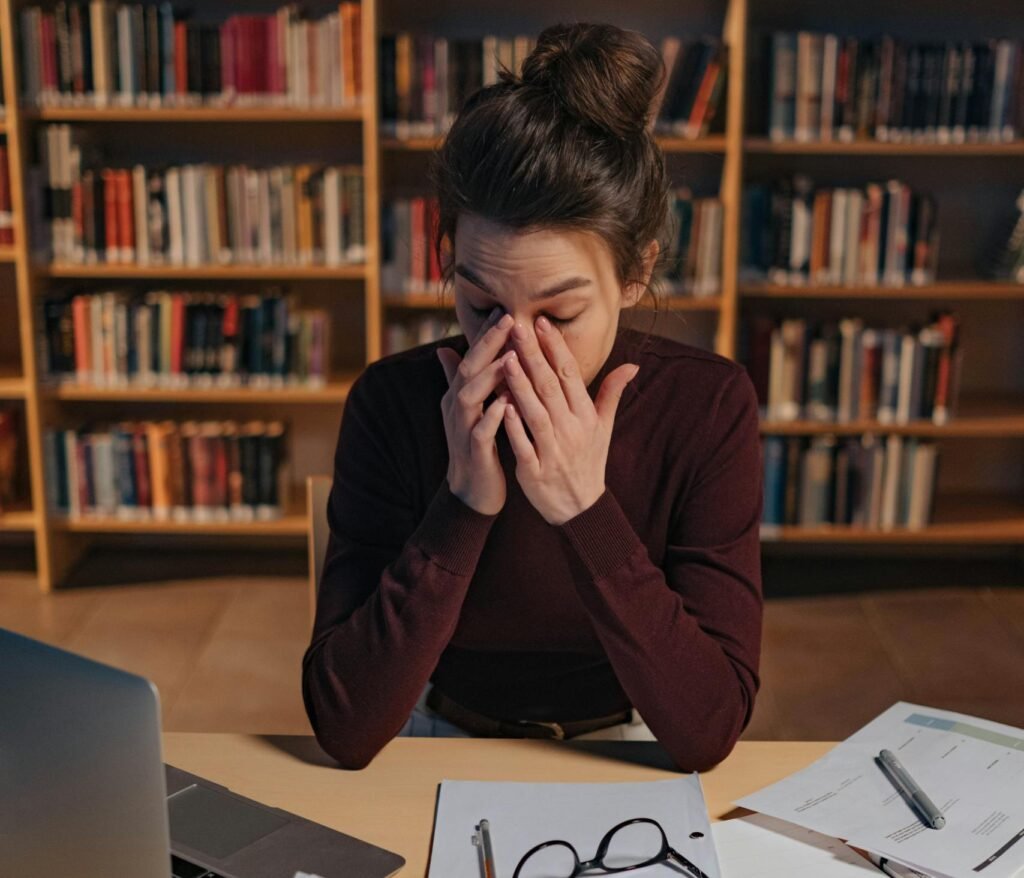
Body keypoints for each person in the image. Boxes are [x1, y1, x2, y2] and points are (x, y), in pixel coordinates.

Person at [302, 21, 763, 772]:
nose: (514, 348)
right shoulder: (393, 403)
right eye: (482, 305)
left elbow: (708, 728)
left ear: (636, 274)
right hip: (435, 738)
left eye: (559, 314)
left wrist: (586, 510)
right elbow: (345, 726)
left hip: (627, 749)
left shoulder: (707, 408)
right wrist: (461, 505)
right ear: (447, 259)